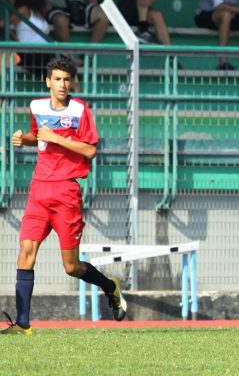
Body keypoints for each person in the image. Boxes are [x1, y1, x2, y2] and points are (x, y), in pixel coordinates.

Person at [1, 56, 127, 335]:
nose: (62, 84)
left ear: (72, 83)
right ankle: (23, 323)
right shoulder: (36, 106)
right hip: (39, 189)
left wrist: (58, 138)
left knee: (71, 267)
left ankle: (110, 287)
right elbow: (39, 135)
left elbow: (90, 150)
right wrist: (25, 139)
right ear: (48, 81)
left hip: (66, 191)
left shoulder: (81, 110)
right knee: (26, 251)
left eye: (67, 79)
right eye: (57, 79)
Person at [0, 0, 52, 78]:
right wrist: (16, 40)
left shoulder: (39, 11)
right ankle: (77, 92)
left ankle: (77, 93)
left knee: (68, 68)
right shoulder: (24, 10)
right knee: (63, 68)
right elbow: (2, 24)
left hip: (43, 52)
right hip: (30, 53)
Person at [98, 0, 171, 45]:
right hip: (113, 12)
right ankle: (143, 29)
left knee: (157, 15)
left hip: (132, 10)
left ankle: (170, 54)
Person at [43, 0, 109, 43]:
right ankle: (65, 52)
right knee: (61, 21)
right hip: (56, 9)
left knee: (103, 15)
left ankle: (90, 51)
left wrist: (94, 10)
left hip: (79, 8)